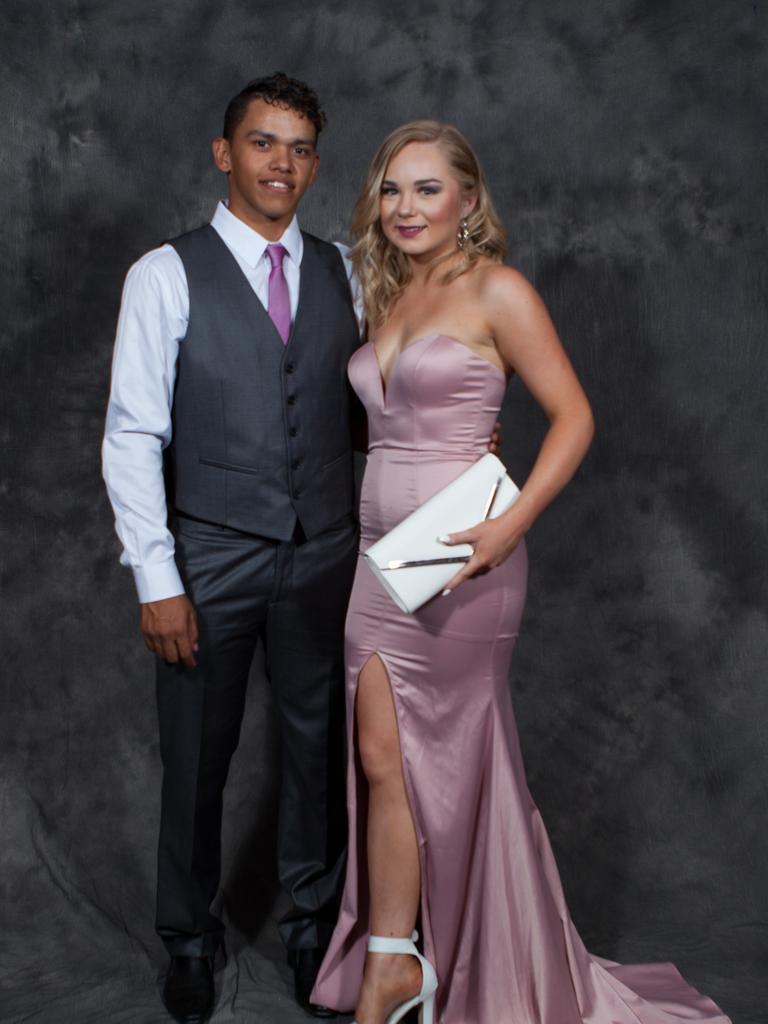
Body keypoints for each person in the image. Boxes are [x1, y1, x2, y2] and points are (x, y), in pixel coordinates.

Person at [310, 121, 732, 1024]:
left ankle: (490, 957)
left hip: (467, 563)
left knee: (453, 768)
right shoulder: (387, 293)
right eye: (392, 189)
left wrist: (509, 525)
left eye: (427, 189)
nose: (406, 207)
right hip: (379, 567)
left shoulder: (497, 289)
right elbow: (390, 425)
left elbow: (575, 416)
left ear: (468, 200)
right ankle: (393, 961)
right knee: (381, 757)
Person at [102, 73, 361, 1023]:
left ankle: (311, 931)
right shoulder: (164, 274)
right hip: (208, 555)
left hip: (325, 552)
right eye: (263, 143)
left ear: (315, 163)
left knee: (316, 751)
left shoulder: (346, 269)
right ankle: (190, 939)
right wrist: (157, 577)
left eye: (298, 147)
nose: (281, 162)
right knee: (196, 756)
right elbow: (133, 433)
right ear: (225, 154)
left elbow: (383, 399)